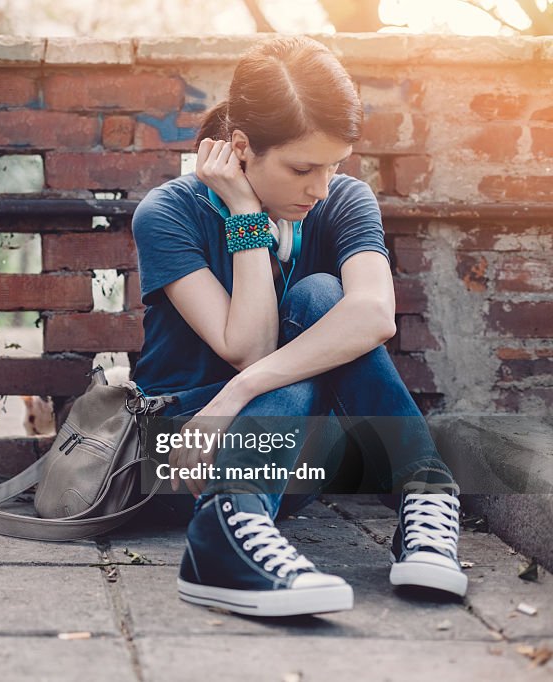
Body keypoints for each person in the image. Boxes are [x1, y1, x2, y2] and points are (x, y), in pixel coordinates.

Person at [130, 35, 465, 618]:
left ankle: (425, 498)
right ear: (241, 147)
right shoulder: (169, 213)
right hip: (191, 455)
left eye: (335, 164)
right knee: (320, 306)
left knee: (324, 296)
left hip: (294, 458)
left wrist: (245, 388)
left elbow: (373, 315)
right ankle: (225, 526)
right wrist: (245, 215)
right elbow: (248, 346)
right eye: (303, 167)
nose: (321, 186)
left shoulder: (341, 201)